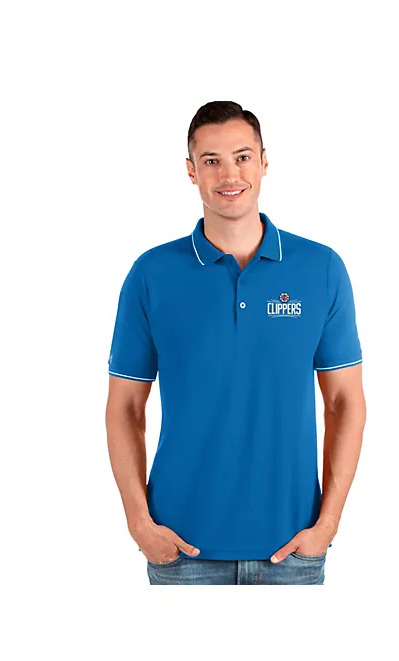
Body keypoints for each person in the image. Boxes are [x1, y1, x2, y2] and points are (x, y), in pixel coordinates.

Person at [105, 101, 367, 585]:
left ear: (264, 162)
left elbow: (345, 402)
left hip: (293, 549)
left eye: (242, 157)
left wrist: (327, 524)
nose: (229, 174)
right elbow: (124, 407)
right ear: (191, 171)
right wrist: (140, 524)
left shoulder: (321, 268)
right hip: (180, 550)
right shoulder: (151, 275)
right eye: (212, 160)